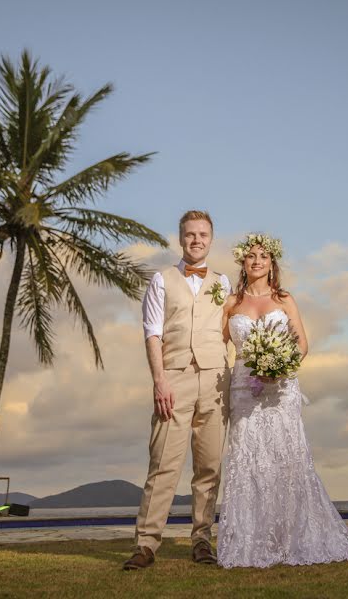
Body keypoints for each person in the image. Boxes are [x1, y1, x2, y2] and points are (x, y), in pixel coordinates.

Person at [217, 233, 348, 568]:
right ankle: (250, 544)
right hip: (244, 391)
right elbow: (217, 344)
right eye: (251, 256)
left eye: (263, 257)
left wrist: (278, 367)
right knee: (248, 461)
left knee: (286, 459)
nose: (257, 261)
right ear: (243, 262)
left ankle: (290, 540)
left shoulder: (284, 299)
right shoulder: (231, 303)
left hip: (281, 390)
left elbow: (301, 344)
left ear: (272, 263)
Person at [123, 210, 232, 570]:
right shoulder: (161, 280)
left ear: (211, 239)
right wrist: (160, 380)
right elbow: (152, 333)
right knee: (163, 465)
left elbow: (233, 331)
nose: (196, 240)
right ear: (180, 238)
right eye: (190, 234)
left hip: (216, 382)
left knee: (209, 467)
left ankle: (202, 540)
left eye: (202, 234)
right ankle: (146, 544)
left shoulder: (224, 283)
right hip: (174, 379)